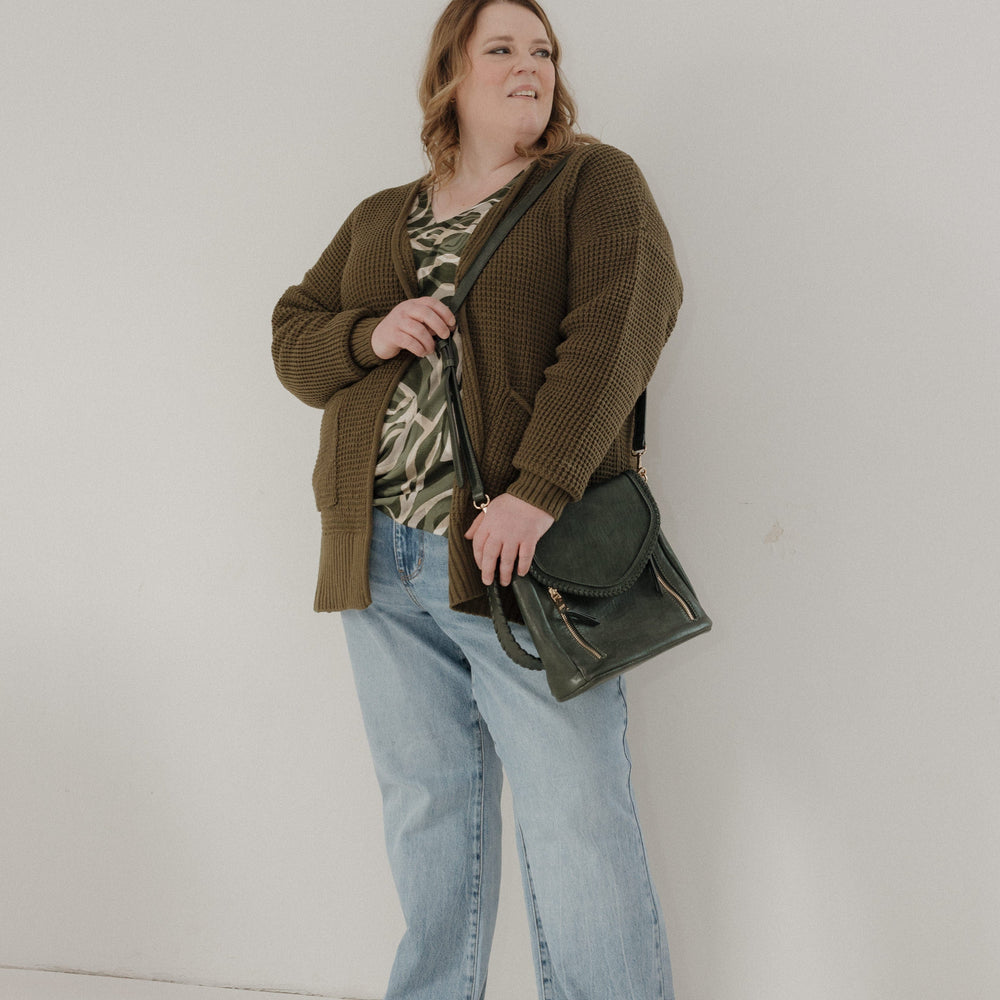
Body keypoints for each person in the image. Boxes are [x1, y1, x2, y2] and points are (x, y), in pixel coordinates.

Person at [272, 1, 684, 997]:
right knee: (426, 809)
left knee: (576, 817)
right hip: (380, 555)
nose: (528, 64)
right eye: (500, 48)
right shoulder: (383, 216)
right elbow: (293, 336)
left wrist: (537, 492)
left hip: (517, 556)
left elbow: (618, 331)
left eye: (542, 50)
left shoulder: (591, 183)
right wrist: (370, 333)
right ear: (449, 75)